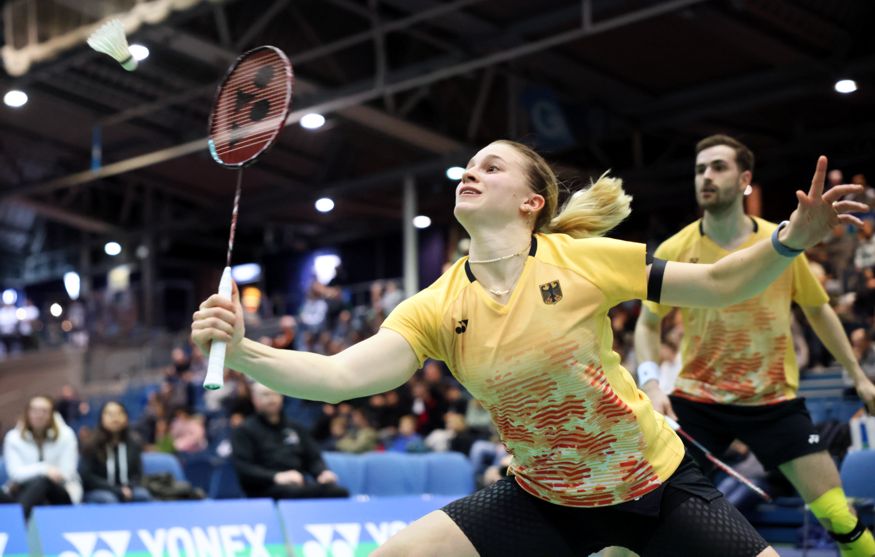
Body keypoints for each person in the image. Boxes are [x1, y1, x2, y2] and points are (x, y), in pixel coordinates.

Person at [193, 139, 865, 556]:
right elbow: (340, 375)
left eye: (493, 165)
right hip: (544, 501)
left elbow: (718, 283)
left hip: (656, 489)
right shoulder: (435, 304)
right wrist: (247, 351)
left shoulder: (581, 260)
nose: (472, 171)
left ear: (530, 201)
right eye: (470, 164)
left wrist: (786, 241)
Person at [633, 134, 875, 557]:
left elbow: (819, 312)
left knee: (840, 519)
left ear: (745, 178)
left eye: (718, 167)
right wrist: (652, 383)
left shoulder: (781, 244)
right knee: (639, 517)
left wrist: (858, 376)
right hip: (697, 404)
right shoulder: (676, 248)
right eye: (699, 169)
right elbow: (647, 324)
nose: (705, 176)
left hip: (772, 401)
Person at [230, 382, 348, 500]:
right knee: (294, 493)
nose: (271, 399)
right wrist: (276, 476)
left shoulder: (296, 428)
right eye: (265, 395)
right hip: (264, 489)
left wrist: (322, 472)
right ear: (254, 399)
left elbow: (313, 458)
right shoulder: (244, 430)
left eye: (274, 394)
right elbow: (244, 468)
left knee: (338, 492)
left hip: (299, 484)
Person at [2, 395, 82, 517]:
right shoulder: (13, 437)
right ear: (27, 413)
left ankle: (15, 522)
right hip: (23, 490)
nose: (39, 415)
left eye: (44, 411)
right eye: (34, 410)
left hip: (60, 491)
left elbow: (66, 473)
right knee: (38, 482)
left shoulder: (66, 435)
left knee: (43, 482)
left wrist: (41, 475)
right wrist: (44, 469)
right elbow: (16, 474)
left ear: (53, 414)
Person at [79, 401, 152, 504]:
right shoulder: (91, 444)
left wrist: (129, 488)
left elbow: (138, 474)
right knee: (109, 499)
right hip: (98, 490)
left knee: (142, 495)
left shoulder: (134, 443)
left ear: (126, 417)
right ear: (101, 418)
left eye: (119, 413)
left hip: (127, 489)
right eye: (110, 414)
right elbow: (86, 476)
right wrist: (117, 490)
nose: (115, 418)